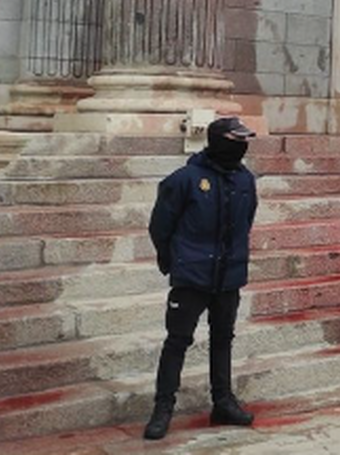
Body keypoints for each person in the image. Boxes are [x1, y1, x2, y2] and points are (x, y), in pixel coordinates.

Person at [144, 116, 258, 440]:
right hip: (192, 276)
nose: (242, 147)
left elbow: (245, 222)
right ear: (219, 141)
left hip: (229, 277)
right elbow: (160, 226)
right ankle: (162, 408)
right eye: (236, 140)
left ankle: (223, 401)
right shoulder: (184, 180)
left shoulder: (245, 181)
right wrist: (173, 262)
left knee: (223, 340)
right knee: (177, 342)